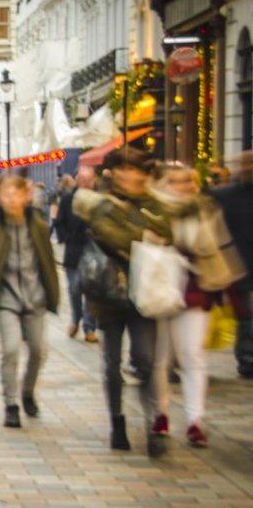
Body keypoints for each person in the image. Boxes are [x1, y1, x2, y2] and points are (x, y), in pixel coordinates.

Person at [73, 148, 172, 456]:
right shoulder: (101, 203)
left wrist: (138, 235)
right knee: (112, 363)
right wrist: (143, 236)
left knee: (145, 359)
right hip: (109, 293)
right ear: (112, 172)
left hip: (145, 293)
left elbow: (167, 232)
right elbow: (111, 236)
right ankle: (117, 422)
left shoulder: (154, 203)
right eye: (125, 170)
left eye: (137, 170)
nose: (132, 176)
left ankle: (153, 424)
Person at [150, 162, 244, 448]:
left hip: (194, 291)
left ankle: (195, 421)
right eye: (175, 181)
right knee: (159, 359)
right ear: (163, 184)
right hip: (156, 292)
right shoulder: (152, 210)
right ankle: (160, 413)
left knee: (193, 356)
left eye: (187, 181)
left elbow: (219, 251)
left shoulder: (205, 210)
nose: (183, 187)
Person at [0, 174, 59, 428]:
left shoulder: (39, 227)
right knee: (10, 349)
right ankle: (10, 403)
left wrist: (52, 292)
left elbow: (47, 261)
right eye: (5, 194)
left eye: (16, 194)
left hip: (35, 297)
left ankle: (28, 391)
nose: (10, 199)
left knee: (38, 350)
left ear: (26, 196)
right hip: (5, 298)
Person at [212, 151, 253, 378]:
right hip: (237, 264)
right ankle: (247, 358)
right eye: (246, 164)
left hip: (242, 262)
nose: (248, 168)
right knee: (246, 316)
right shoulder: (226, 195)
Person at [55, 167, 98, 342]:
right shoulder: (67, 199)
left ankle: (89, 327)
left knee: (91, 291)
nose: (86, 183)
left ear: (94, 180)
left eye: (89, 179)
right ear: (77, 180)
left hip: (93, 252)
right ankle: (76, 318)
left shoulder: (99, 200)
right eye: (82, 179)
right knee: (74, 289)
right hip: (73, 252)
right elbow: (59, 222)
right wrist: (65, 238)